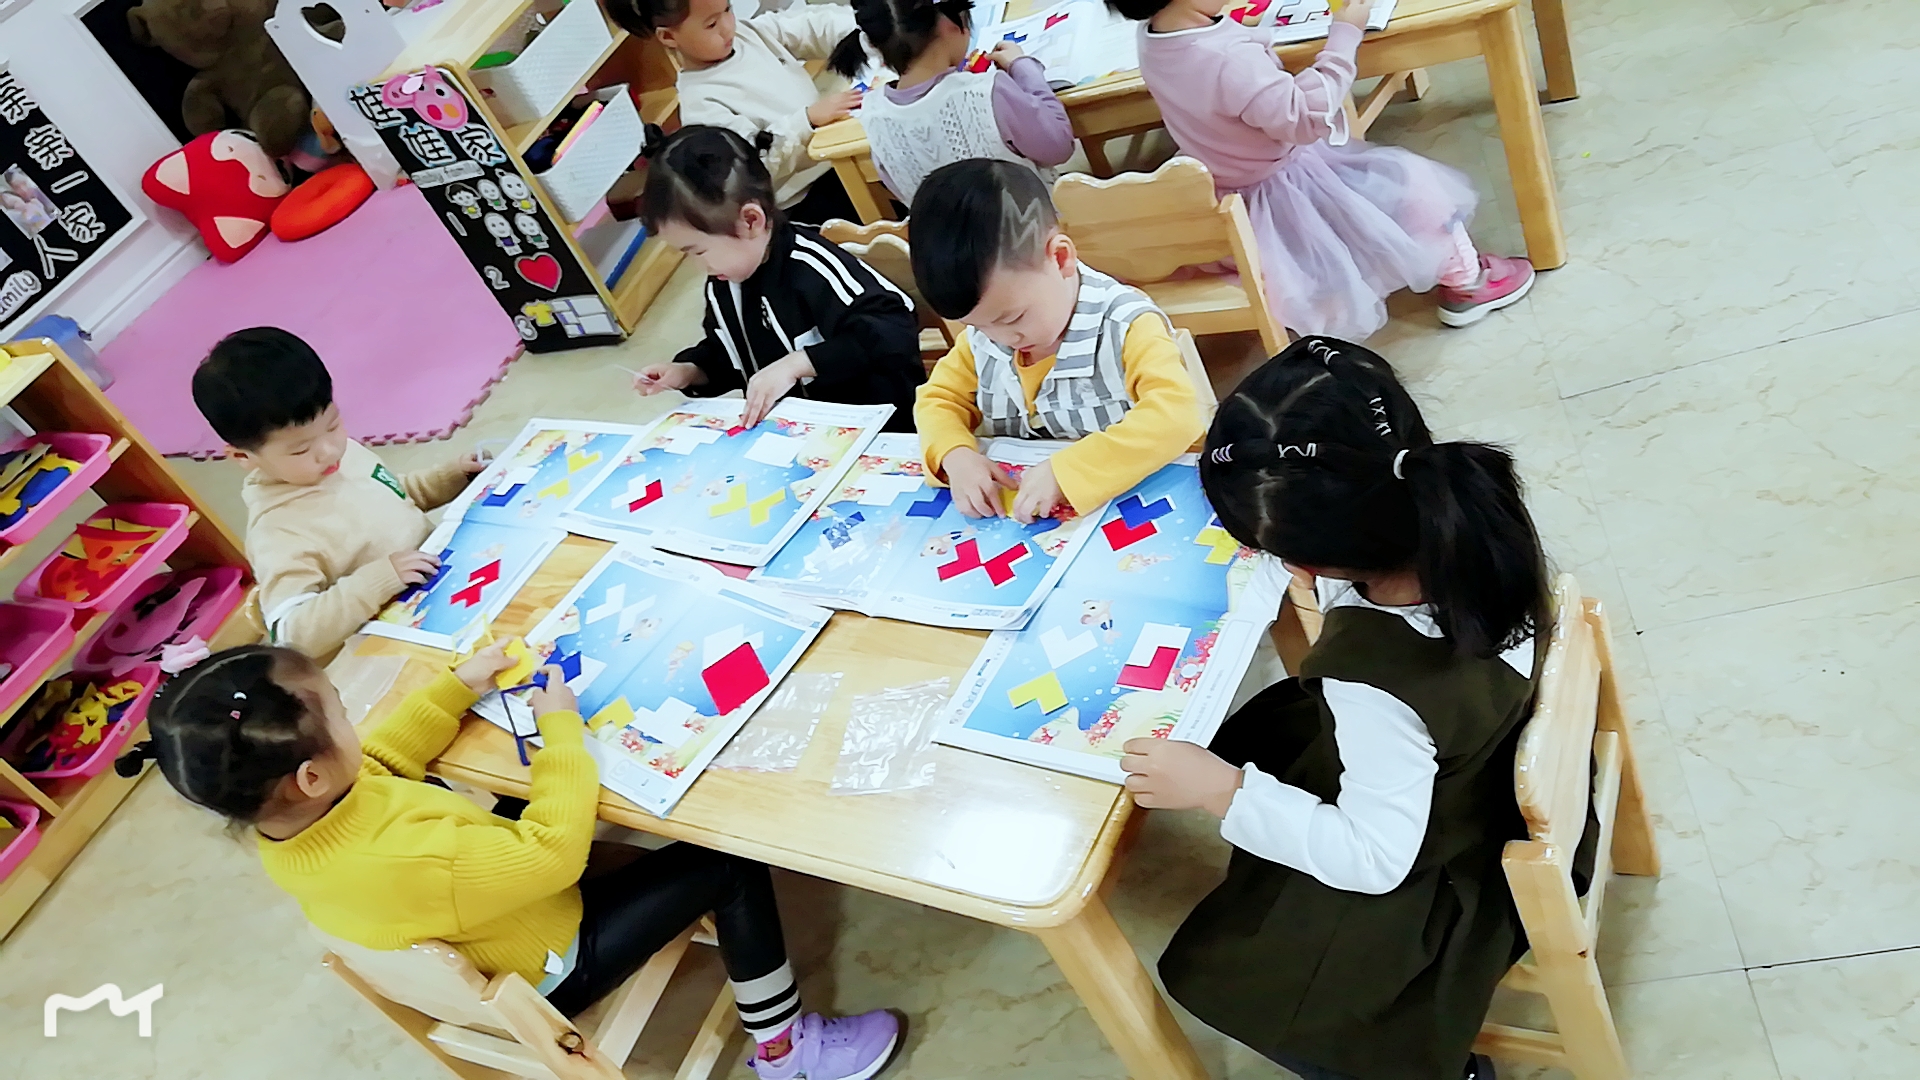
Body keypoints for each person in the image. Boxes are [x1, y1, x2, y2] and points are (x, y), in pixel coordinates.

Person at [113, 644, 903, 1080]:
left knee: (515, 795)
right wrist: (561, 733)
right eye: (343, 714)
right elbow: (554, 856)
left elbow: (383, 766)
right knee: (726, 864)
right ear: (312, 776)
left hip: (489, 917)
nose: (357, 722)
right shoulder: (407, 855)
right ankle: (787, 1051)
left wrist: (454, 689)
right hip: (554, 961)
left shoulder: (299, 822)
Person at [1118, 337, 1545, 1080]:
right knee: (1267, 730)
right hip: (1483, 759)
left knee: (1265, 987)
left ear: (1303, 562)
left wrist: (1222, 791)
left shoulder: (1372, 685)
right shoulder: (1466, 511)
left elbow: (1373, 860)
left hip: (1453, 870)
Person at [1110, 0, 1535, 337]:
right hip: (1285, 182)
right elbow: (1305, 117)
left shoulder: (1153, 39)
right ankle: (1468, 283)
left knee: (1317, 247)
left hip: (1230, 187)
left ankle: (1331, 295)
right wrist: (1344, 36)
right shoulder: (1227, 58)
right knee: (1415, 187)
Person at [910, 158, 1204, 523]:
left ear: (1060, 257)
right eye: (977, 326)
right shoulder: (986, 334)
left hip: (1138, 503)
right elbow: (938, 399)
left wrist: (1070, 471)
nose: (1002, 339)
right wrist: (955, 455)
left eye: (1012, 318)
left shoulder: (1125, 325)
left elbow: (1178, 416)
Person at [191, 328, 482, 660]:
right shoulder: (278, 532)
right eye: (300, 450)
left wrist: (452, 476)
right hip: (402, 645)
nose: (329, 450)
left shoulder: (340, 457)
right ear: (243, 457)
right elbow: (293, 633)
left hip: (445, 582)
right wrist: (377, 581)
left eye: (333, 425)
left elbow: (394, 497)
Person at [630, 125, 925, 432]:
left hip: (878, 431)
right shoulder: (723, 284)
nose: (697, 266)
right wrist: (689, 371)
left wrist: (798, 364)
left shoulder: (812, 265)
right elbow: (730, 353)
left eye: (698, 251)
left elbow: (893, 329)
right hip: (796, 434)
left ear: (751, 221)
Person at [608, 0, 868, 224]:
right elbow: (754, 164)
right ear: (668, 37)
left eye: (727, 9)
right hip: (804, 198)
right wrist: (807, 120)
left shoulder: (748, 35)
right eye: (711, 24)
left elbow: (810, 26)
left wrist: (866, 27)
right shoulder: (700, 103)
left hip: (833, 158)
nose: (728, 27)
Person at [828, 0, 1075, 205]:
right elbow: (1059, 146)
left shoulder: (872, 115)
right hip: (1033, 233)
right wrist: (1023, 67)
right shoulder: (989, 90)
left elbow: (902, 191)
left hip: (957, 248)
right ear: (949, 24)